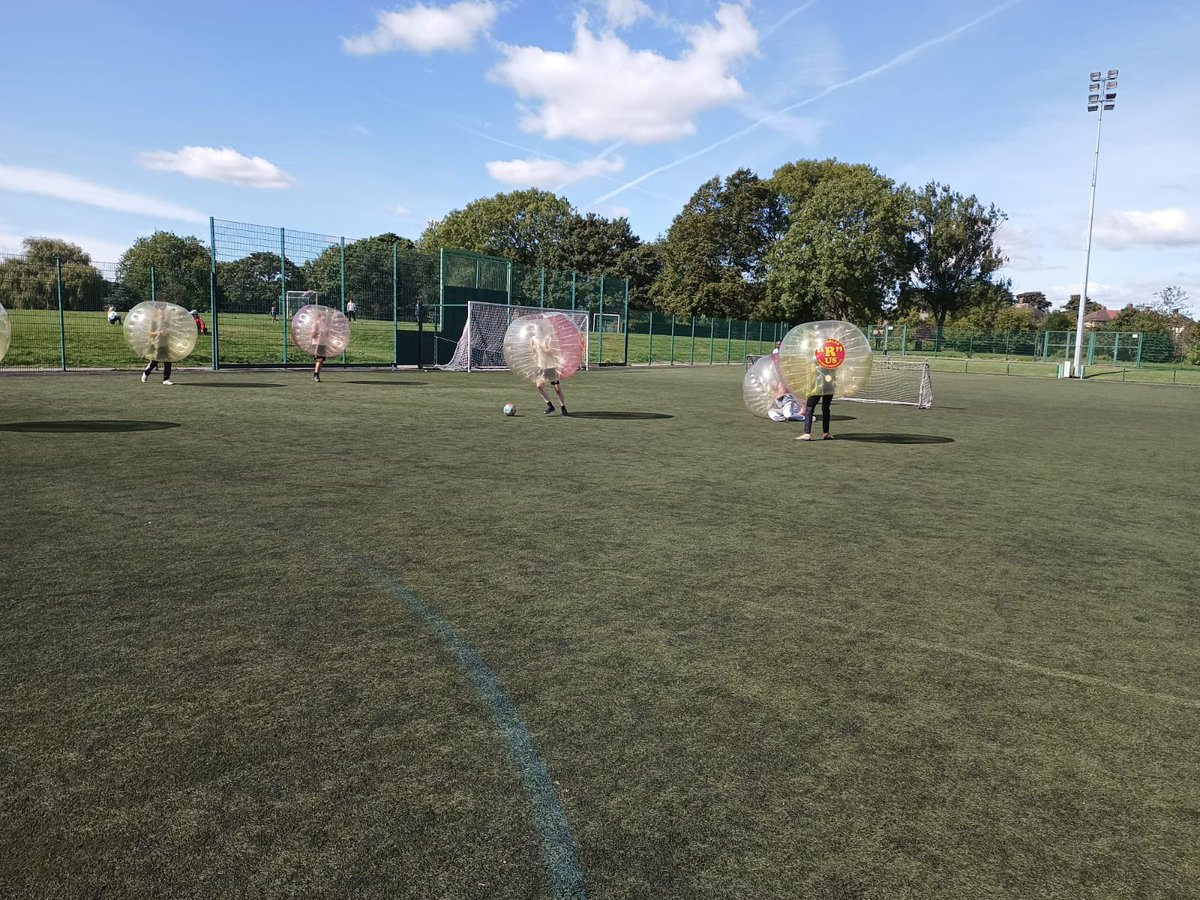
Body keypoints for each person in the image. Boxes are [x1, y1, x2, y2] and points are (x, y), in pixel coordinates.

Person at [531, 327, 568, 416]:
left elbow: (551, 352)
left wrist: (541, 346)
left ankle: (563, 406)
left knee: (557, 389)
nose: (535, 331)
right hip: (540, 366)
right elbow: (533, 351)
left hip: (551, 366)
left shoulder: (549, 338)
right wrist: (533, 363)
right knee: (539, 386)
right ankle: (550, 405)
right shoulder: (533, 339)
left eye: (536, 330)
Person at [797, 366, 835, 441]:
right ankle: (826, 433)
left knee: (809, 408)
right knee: (826, 409)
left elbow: (811, 370)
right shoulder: (832, 358)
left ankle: (807, 433)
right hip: (830, 384)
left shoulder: (815, 357)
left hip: (817, 385)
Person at [141, 306, 174, 385]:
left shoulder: (166, 323)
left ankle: (166, 379)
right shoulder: (153, 322)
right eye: (161, 312)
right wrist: (158, 333)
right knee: (154, 363)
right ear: (157, 313)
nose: (162, 314)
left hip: (165, 345)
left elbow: (169, 332)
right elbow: (149, 333)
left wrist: (167, 332)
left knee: (168, 362)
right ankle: (146, 373)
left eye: (163, 313)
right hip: (156, 345)